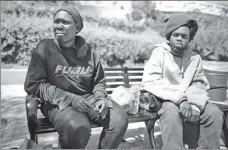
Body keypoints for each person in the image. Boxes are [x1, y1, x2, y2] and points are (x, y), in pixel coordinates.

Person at [24, 6, 128, 149]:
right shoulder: (45, 48)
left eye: (65, 22)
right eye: (56, 21)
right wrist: (71, 99)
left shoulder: (89, 51)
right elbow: (33, 84)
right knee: (77, 126)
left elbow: (99, 81)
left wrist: (100, 97)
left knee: (119, 119)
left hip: (87, 98)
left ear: (77, 28)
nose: (59, 25)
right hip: (55, 102)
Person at [141, 14, 224, 149]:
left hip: (190, 99)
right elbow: (151, 81)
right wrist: (180, 99)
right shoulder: (160, 53)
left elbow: (199, 84)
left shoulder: (195, 57)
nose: (179, 39)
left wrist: (195, 104)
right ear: (169, 36)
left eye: (184, 36)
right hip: (165, 99)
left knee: (214, 113)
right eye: (176, 35)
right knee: (171, 113)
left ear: (189, 39)